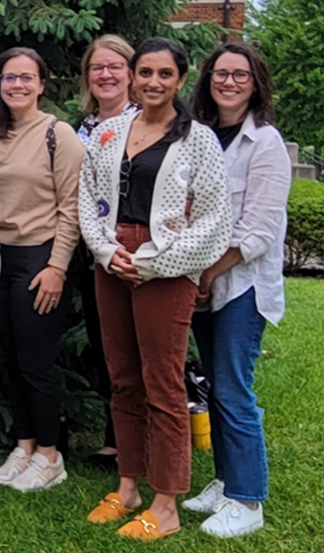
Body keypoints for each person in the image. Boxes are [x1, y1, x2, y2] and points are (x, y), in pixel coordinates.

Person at [80, 37, 231, 541]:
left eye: (165, 74)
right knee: (123, 377)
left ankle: (166, 503)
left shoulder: (198, 140)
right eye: (145, 72)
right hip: (112, 260)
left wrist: (152, 262)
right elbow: (87, 199)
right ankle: (128, 487)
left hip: (164, 266)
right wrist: (106, 251)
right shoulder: (109, 132)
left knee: (162, 382)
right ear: (133, 76)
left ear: (180, 80)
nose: (153, 82)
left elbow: (213, 219)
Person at [182, 42, 290, 538]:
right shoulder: (200, 137)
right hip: (201, 280)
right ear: (208, 80)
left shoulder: (264, 142)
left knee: (232, 389)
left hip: (241, 285)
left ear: (255, 83)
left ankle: (248, 500)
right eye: (220, 74)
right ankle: (226, 482)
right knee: (216, 385)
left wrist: (208, 274)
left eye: (239, 75)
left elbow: (259, 230)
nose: (229, 82)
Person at [0, 47, 83, 492]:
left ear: (41, 84)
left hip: (38, 258)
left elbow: (72, 207)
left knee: (36, 361)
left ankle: (50, 454)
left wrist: (58, 266)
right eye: (9, 77)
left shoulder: (58, 135)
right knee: (11, 357)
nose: (17, 85)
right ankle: (24, 446)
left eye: (26, 78)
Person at [74, 35, 140, 472]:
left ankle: (140, 442)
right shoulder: (83, 128)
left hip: (134, 252)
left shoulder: (145, 124)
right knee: (107, 347)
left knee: (138, 349)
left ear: (131, 74)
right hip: (91, 252)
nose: (106, 74)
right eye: (97, 67)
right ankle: (117, 441)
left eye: (115, 66)